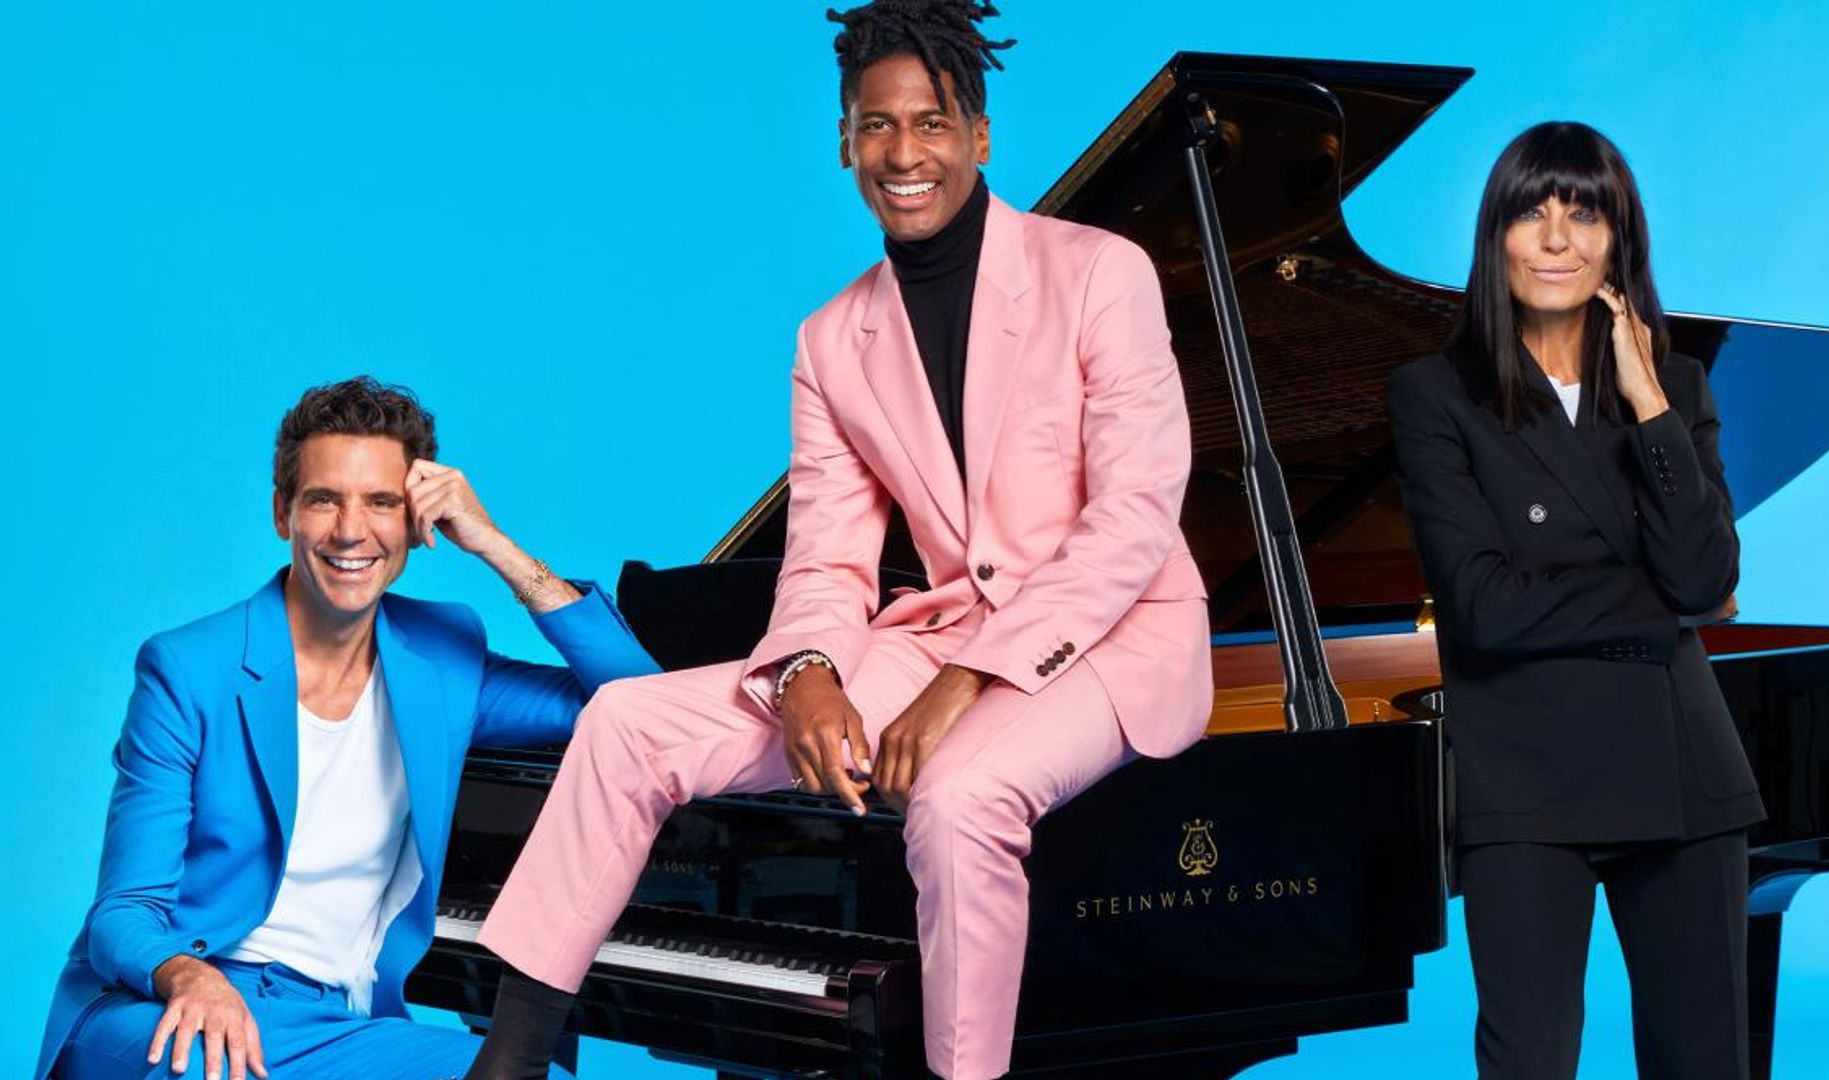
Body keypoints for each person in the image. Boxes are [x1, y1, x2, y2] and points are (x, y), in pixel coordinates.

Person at [460, 3, 1210, 1078]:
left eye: (933, 122)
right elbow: (826, 556)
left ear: (981, 135)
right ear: (846, 142)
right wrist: (809, 671)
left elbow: (1132, 521)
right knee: (625, 719)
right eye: (877, 126)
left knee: (958, 800)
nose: (906, 154)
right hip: (942, 628)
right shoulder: (829, 341)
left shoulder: (1101, 273)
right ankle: (510, 1064)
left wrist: (958, 682)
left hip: (1117, 639)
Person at [37, 376, 657, 1080]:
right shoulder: (186, 670)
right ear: (283, 513)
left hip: (339, 1023)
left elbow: (641, 707)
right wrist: (187, 976)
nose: (351, 530)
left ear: (418, 522)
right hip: (170, 1003)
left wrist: (496, 548)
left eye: (382, 502)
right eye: (324, 498)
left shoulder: (442, 660)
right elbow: (124, 911)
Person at [1386, 122, 1765, 1079]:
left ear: (1617, 239)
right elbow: (1480, 607)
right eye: (1531, 211)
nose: (1556, 238)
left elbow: (1706, 576)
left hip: (1681, 768)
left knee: (1705, 1062)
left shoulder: (1675, 385)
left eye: (1583, 212)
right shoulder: (1436, 394)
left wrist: (1649, 407)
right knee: (1528, 1062)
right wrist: (1658, 611)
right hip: (1523, 778)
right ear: (1496, 235)